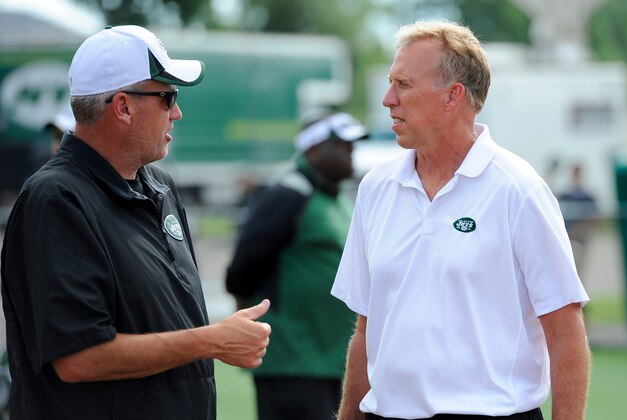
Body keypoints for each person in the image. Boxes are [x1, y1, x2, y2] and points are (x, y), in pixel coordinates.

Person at [0, 25, 271, 420]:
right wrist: (210, 341)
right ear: (123, 107)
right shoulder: (56, 198)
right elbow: (79, 357)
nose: (177, 112)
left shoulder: (159, 185)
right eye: (168, 96)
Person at [331, 20, 590, 420]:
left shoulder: (518, 191)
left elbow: (565, 332)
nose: (387, 99)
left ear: (453, 96)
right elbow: (366, 329)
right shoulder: (375, 188)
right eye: (390, 82)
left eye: (403, 84)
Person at [226, 112, 368, 420]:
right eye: (341, 145)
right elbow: (241, 271)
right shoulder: (288, 196)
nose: (350, 151)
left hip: (327, 359)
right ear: (314, 149)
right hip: (294, 361)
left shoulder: (335, 199)